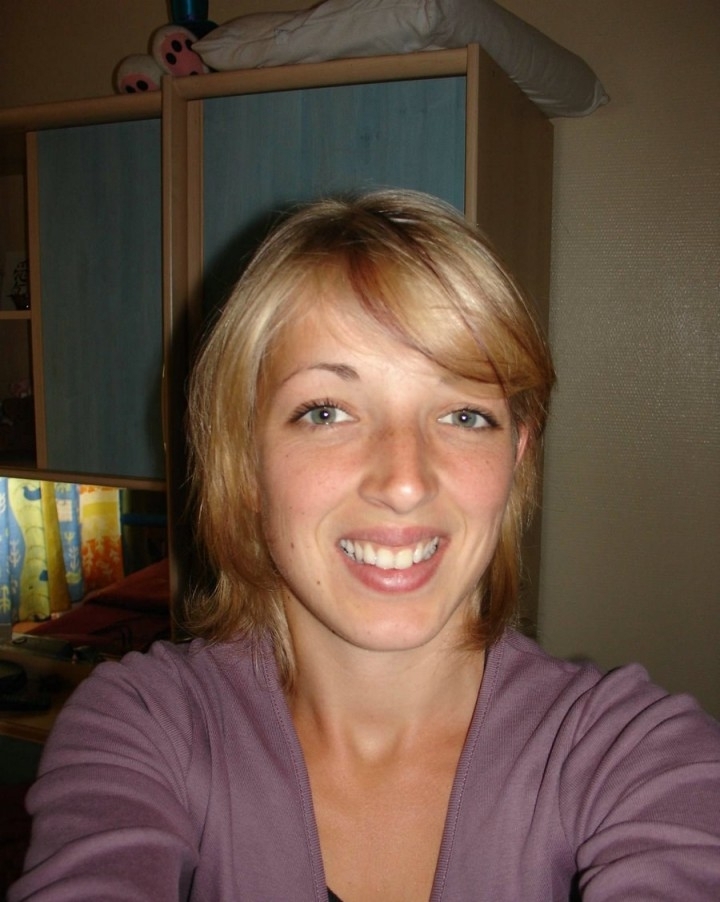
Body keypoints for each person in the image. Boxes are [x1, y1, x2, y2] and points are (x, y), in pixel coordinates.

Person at [10, 190, 720, 901]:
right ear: (244, 463)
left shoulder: (633, 751)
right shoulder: (144, 728)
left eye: (464, 415)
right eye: (327, 412)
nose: (405, 482)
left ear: (516, 454)